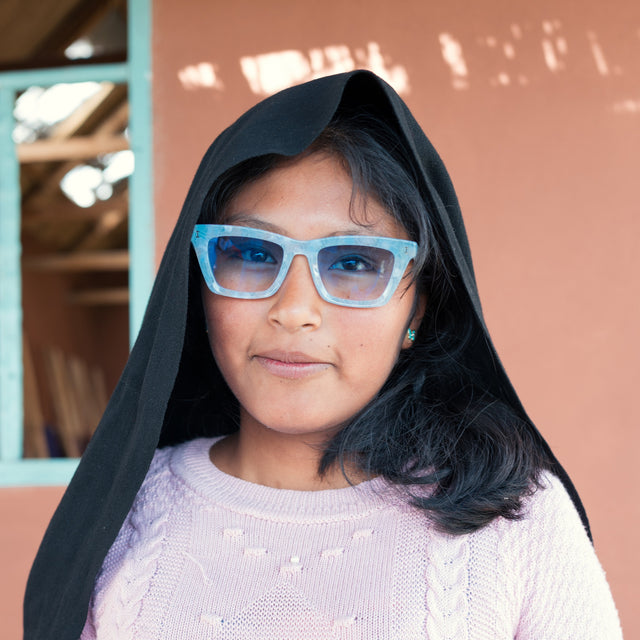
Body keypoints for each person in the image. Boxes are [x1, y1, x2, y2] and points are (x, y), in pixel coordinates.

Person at [24, 70, 622, 639]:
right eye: (253, 253)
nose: (294, 309)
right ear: (198, 287)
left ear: (418, 310)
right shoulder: (119, 517)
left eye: (355, 263)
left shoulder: (515, 523)